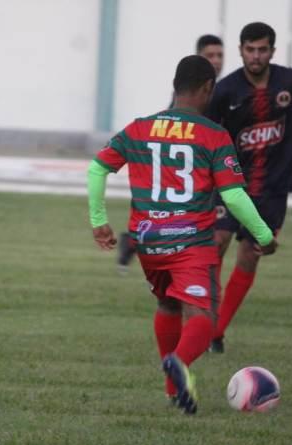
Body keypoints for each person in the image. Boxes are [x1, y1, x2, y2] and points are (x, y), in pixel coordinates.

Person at [87, 55, 277, 414]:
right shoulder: (213, 134)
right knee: (203, 315)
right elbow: (234, 196)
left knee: (167, 304)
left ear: (175, 87)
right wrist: (263, 236)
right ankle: (179, 364)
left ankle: (173, 389)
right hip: (192, 241)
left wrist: (99, 220)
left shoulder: (139, 128)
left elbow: (97, 169)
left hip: (149, 241)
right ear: (208, 88)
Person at [204, 22, 292, 353]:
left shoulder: (288, 81)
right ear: (241, 50)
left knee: (250, 254)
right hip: (230, 182)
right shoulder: (226, 90)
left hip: (273, 184)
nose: (256, 56)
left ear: (272, 51)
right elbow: (207, 132)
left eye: (262, 50)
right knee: (216, 242)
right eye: (250, 49)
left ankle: (217, 331)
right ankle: (206, 320)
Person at [116, 34, 226, 273]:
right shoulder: (189, 92)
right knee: (192, 227)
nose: (216, 61)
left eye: (220, 55)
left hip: (211, 165)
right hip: (192, 167)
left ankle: (138, 244)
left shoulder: (223, 89)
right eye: (210, 56)